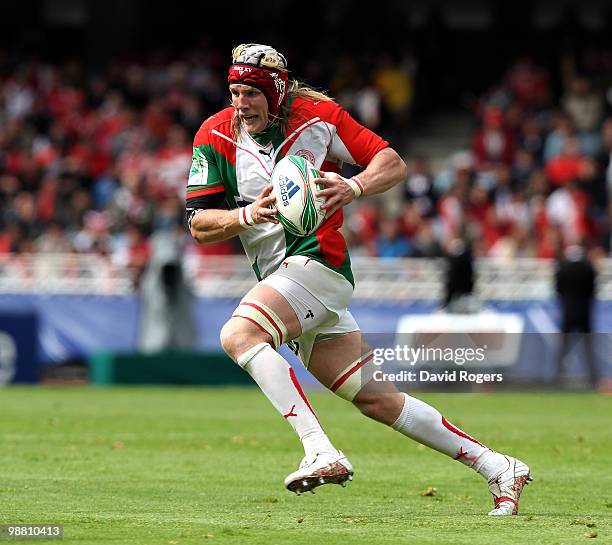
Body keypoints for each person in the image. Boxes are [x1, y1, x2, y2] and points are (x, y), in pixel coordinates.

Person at [186, 43, 531, 515]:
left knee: (239, 334)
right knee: (377, 400)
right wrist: (247, 214)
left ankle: (319, 449)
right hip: (283, 280)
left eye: (251, 92)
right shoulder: (214, 134)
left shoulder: (320, 118)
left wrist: (353, 185)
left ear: (277, 90)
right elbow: (199, 223)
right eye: (235, 91)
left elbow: (392, 163)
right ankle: (498, 466)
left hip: (319, 265)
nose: (240, 103)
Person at [555, 244, 599, 388]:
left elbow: (558, 288)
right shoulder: (588, 269)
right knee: (588, 348)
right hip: (584, 313)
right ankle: (593, 377)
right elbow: (593, 289)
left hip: (568, 313)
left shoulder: (563, 269)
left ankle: (558, 376)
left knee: (563, 347)